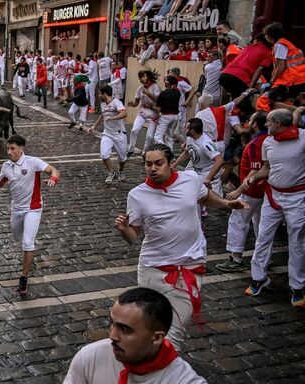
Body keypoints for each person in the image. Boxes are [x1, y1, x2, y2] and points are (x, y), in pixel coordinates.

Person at [115, 143, 247, 348]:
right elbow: (133, 238)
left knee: (174, 332)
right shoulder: (137, 195)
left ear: (171, 163)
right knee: (151, 327)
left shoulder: (191, 179)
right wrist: (124, 229)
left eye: (158, 163)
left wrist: (227, 204)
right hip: (153, 269)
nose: (153, 168)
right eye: (148, 164)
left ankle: (163, 371)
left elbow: (205, 197)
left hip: (189, 266)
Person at [64, 287, 207, 383]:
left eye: (125, 329)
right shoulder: (90, 358)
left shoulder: (183, 380)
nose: (112, 336)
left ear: (157, 338)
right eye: (112, 323)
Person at [0, 135, 60, 295]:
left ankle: (23, 279)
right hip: (16, 209)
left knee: (28, 243)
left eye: (12, 148)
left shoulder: (33, 162)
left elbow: (53, 170)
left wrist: (53, 179)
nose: (9, 152)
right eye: (7, 149)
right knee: (18, 237)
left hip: (33, 209)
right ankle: (28, 255)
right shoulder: (6, 166)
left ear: (21, 149)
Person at [243, 109, 305, 306]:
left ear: (278, 123)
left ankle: (297, 286)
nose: (266, 124)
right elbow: (266, 168)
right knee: (262, 237)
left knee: (296, 242)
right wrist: (254, 176)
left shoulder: (303, 138)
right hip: (272, 196)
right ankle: (259, 278)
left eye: (269, 122)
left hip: (297, 198)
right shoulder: (268, 142)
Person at [216, 111, 268, 272]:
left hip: (252, 191)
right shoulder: (268, 140)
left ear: (255, 124)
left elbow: (255, 170)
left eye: (250, 120)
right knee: (260, 225)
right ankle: (262, 258)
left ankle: (236, 258)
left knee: (238, 221)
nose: (247, 122)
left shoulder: (256, 143)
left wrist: (239, 191)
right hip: (264, 191)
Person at [171, 118, 225, 203]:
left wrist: (208, 178)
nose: (184, 129)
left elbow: (220, 160)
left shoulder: (205, 143)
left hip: (207, 176)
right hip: (196, 174)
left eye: (186, 128)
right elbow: (186, 153)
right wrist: (174, 165)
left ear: (192, 131)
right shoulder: (190, 138)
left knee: (216, 204)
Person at [256, 22, 305, 112]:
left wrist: (271, 83)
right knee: (285, 101)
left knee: (262, 100)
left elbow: (280, 67)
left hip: (291, 81)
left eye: (266, 35)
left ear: (271, 35)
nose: (265, 37)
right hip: (298, 80)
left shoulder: (280, 45)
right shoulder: (286, 44)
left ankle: (262, 120)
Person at [88, 86, 128, 183]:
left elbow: (124, 113)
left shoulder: (116, 103)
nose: (98, 96)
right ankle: (111, 172)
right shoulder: (103, 104)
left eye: (99, 93)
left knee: (122, 158)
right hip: (107, 134)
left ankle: (121, 170)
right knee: (104, 155)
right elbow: (102, 116)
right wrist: (94, 126)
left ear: (104, 93)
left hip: (119, 134)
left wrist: (114, 118)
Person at [127, 70, 162, 156]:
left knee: (149, 137)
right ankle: (130, 149)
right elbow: (136, 103)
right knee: (134, 130)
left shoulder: (155, 87)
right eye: (140, 77)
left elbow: (158, 100)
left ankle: (145, 153)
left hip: (153, 116)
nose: (141, 79)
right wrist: (132, 104)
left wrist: (148, 93)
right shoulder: (140, 89)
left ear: (149, 77)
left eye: (143, 77)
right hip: (142, 114)